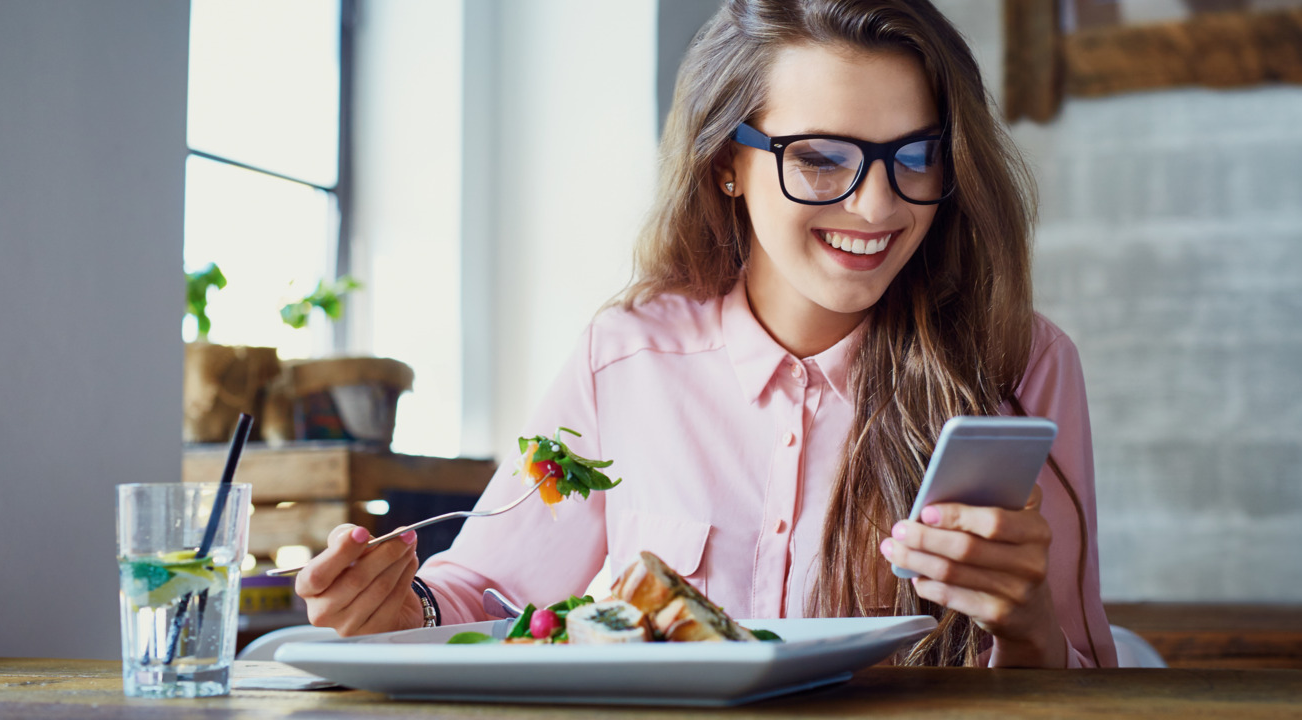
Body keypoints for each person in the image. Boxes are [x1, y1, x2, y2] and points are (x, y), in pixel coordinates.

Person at [294, 0, 1116, 668]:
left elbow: (1082, 674)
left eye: (917, 155)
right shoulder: (624, 358)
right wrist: (399, 607)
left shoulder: (1023, 363)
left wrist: (1029, 625)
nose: (877, 205)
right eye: (822, 158)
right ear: (726, 160)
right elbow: (485, 595)